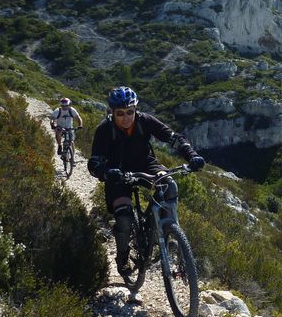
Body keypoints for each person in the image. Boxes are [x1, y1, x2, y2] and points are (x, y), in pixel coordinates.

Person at [87, 86, 205, 278]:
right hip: (117, 172)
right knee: (124, 218)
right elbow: (94, 163)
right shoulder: (104, 130)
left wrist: (192, 155)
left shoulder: (145, 121)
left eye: (130, 112)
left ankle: (169, 230)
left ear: (136, 109)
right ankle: (123, 256)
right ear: (112, 113)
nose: (126, 117)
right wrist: (107, 173)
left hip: (145, 163)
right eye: (120, 113)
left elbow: (173, 138)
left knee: (169, 185)